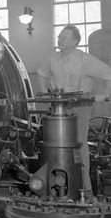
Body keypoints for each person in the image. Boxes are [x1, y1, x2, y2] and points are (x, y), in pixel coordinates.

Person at [37, 24, 111, 192]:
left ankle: (85, 189)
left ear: (75, 41)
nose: (59, 39)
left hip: (80, 105)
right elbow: (41, 73)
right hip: (59, 106)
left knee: (78, 143)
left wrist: (104, 93)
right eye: (59, 36)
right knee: (56, 144)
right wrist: (44, 93)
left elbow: (108, 73)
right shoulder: (53, 58)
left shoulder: (85, 60)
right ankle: (57, 187)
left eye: (64, 37)